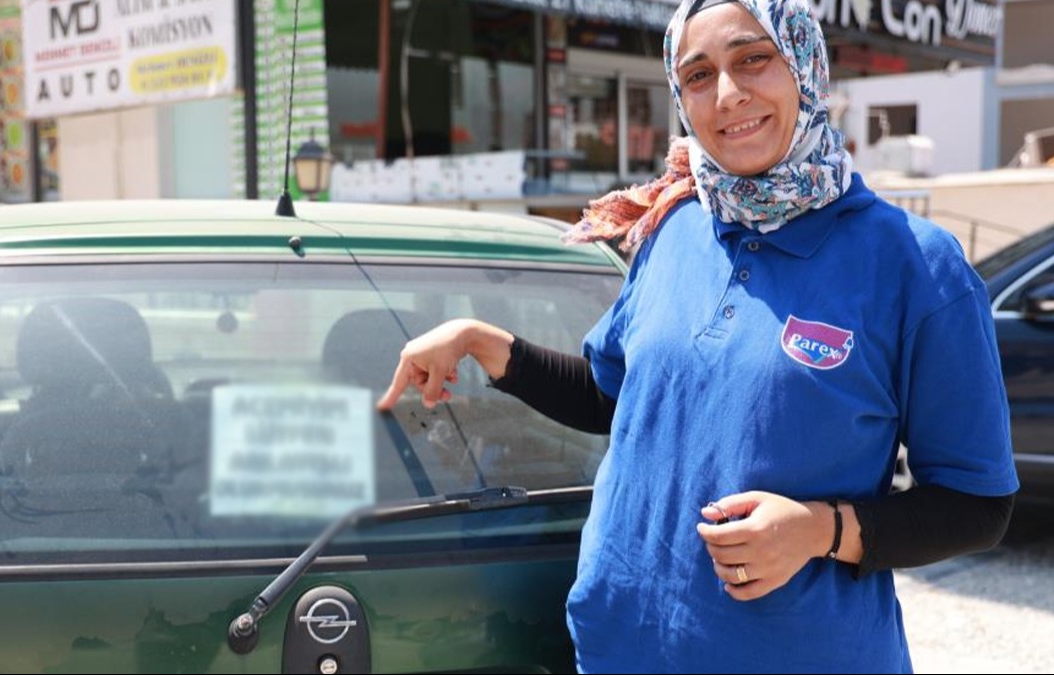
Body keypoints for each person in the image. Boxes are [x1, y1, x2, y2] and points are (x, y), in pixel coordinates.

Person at [376, 0, 1019, 670]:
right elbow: (614, 399)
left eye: (753, 59)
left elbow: (979, 504)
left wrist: (820, 530)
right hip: (620, 647)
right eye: (699, 75)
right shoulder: (676, 227)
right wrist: (485, 343)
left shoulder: (916, 265)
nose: (728, 94)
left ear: (805, 65)